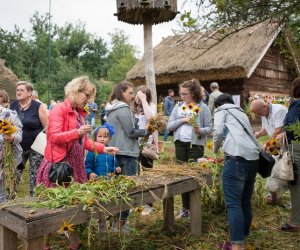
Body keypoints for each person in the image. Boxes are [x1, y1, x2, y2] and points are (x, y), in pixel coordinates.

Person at [36, 76, 119, 250]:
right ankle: (44, 244)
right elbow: (53, 137)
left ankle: (74, 244)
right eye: (86, 95)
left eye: (89, 96)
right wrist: (76, 132)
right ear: (76, 91)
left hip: (76, 167)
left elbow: (85, 143)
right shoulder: (60, 109)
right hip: (60, 165)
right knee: (51, 206)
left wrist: (104, 149)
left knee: (74, 205)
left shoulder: (80, 113)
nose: (88, 100)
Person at [213, 93, 260, 250]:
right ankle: (243, 237)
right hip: (253, 158)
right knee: (245, 202)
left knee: (233, 204)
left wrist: (215, 148)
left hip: (236, 158)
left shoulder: (221, 110)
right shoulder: (241, 112)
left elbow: (218, 132)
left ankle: (236, 246)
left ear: (218, 104)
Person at [105, 80, 148, 232]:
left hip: (115, 151)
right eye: (129, 93)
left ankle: (114, 222)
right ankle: (120, 224)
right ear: (121, 92)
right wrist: (147, 131)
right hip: (127, 153)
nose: (132, 95)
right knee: (127, 190)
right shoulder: (123, 109)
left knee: (116, 189)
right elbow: (131, 132)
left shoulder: (111, 108)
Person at [167, 79, 212, 218]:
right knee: (182, 176)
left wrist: (199, 130)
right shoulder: (178, 106)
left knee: (193, 176)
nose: (182, 96)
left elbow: (210, 128)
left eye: (185, 93)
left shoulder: (202, 107)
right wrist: (182, 120)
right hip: (180, 144)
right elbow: (169, 126)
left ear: (193, 93)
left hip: (196, 145)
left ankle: (195, 208)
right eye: (181, 93)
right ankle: (185, 208)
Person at [9, 81, 48, 197]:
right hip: (17, 146)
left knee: (35, 176)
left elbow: (47, 126)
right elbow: (7, 123)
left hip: (35, 147)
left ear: (29, 93)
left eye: (21, 90)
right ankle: (8, 199)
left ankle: (34, 200)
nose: (18, 92)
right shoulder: (13, 105)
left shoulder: (38, 106)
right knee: (13, 174)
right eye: (17, 90)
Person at [250, 99, 288, 204]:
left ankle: (275, 197)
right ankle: (274, 197)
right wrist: (257, 134)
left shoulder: (279, 110)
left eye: (258, 112)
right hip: (275, 146)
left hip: (284, 144)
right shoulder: (264, 113)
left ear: (264, 106)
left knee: (281, 170)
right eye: (256, 114)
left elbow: (278, 130)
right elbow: (266, 129)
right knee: (273, 169)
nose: (258, 115)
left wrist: (266, 144)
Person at [132, 85, 158, 215]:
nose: (138, 97)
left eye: (142, 95)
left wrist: (144, 101)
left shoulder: (150, 106)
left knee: (148, 174)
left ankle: (148, 204)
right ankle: (135, 202)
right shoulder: (131, 108)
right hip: (133, 145)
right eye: (138, 95)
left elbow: (151, 119)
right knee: (134, 174)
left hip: (146, 145)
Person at [279, 76, 300, 232]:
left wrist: (283, 133)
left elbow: (292, 126)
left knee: (296, 184)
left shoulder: (297, 103)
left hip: (297, 147)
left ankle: (296, 222)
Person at [0, 104, 23, 202]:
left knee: (2, 191)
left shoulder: (7, 114)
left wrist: (12, 137)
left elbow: (18, 136)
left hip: (4, 159)